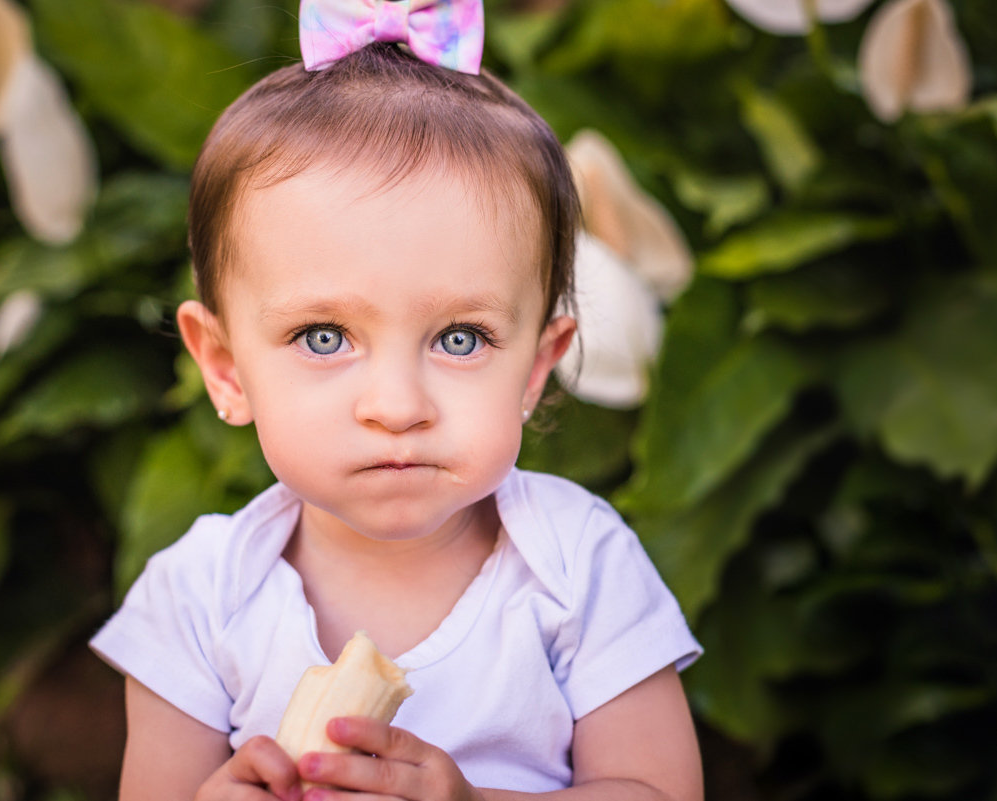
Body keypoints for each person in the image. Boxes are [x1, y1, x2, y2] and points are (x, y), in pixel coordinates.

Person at [89, 2, 704, 799]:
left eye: (460, 338)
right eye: (323, 336)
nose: (396, 405)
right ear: (227, 368)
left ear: (535, 368)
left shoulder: (578, 566)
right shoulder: (200, 595)